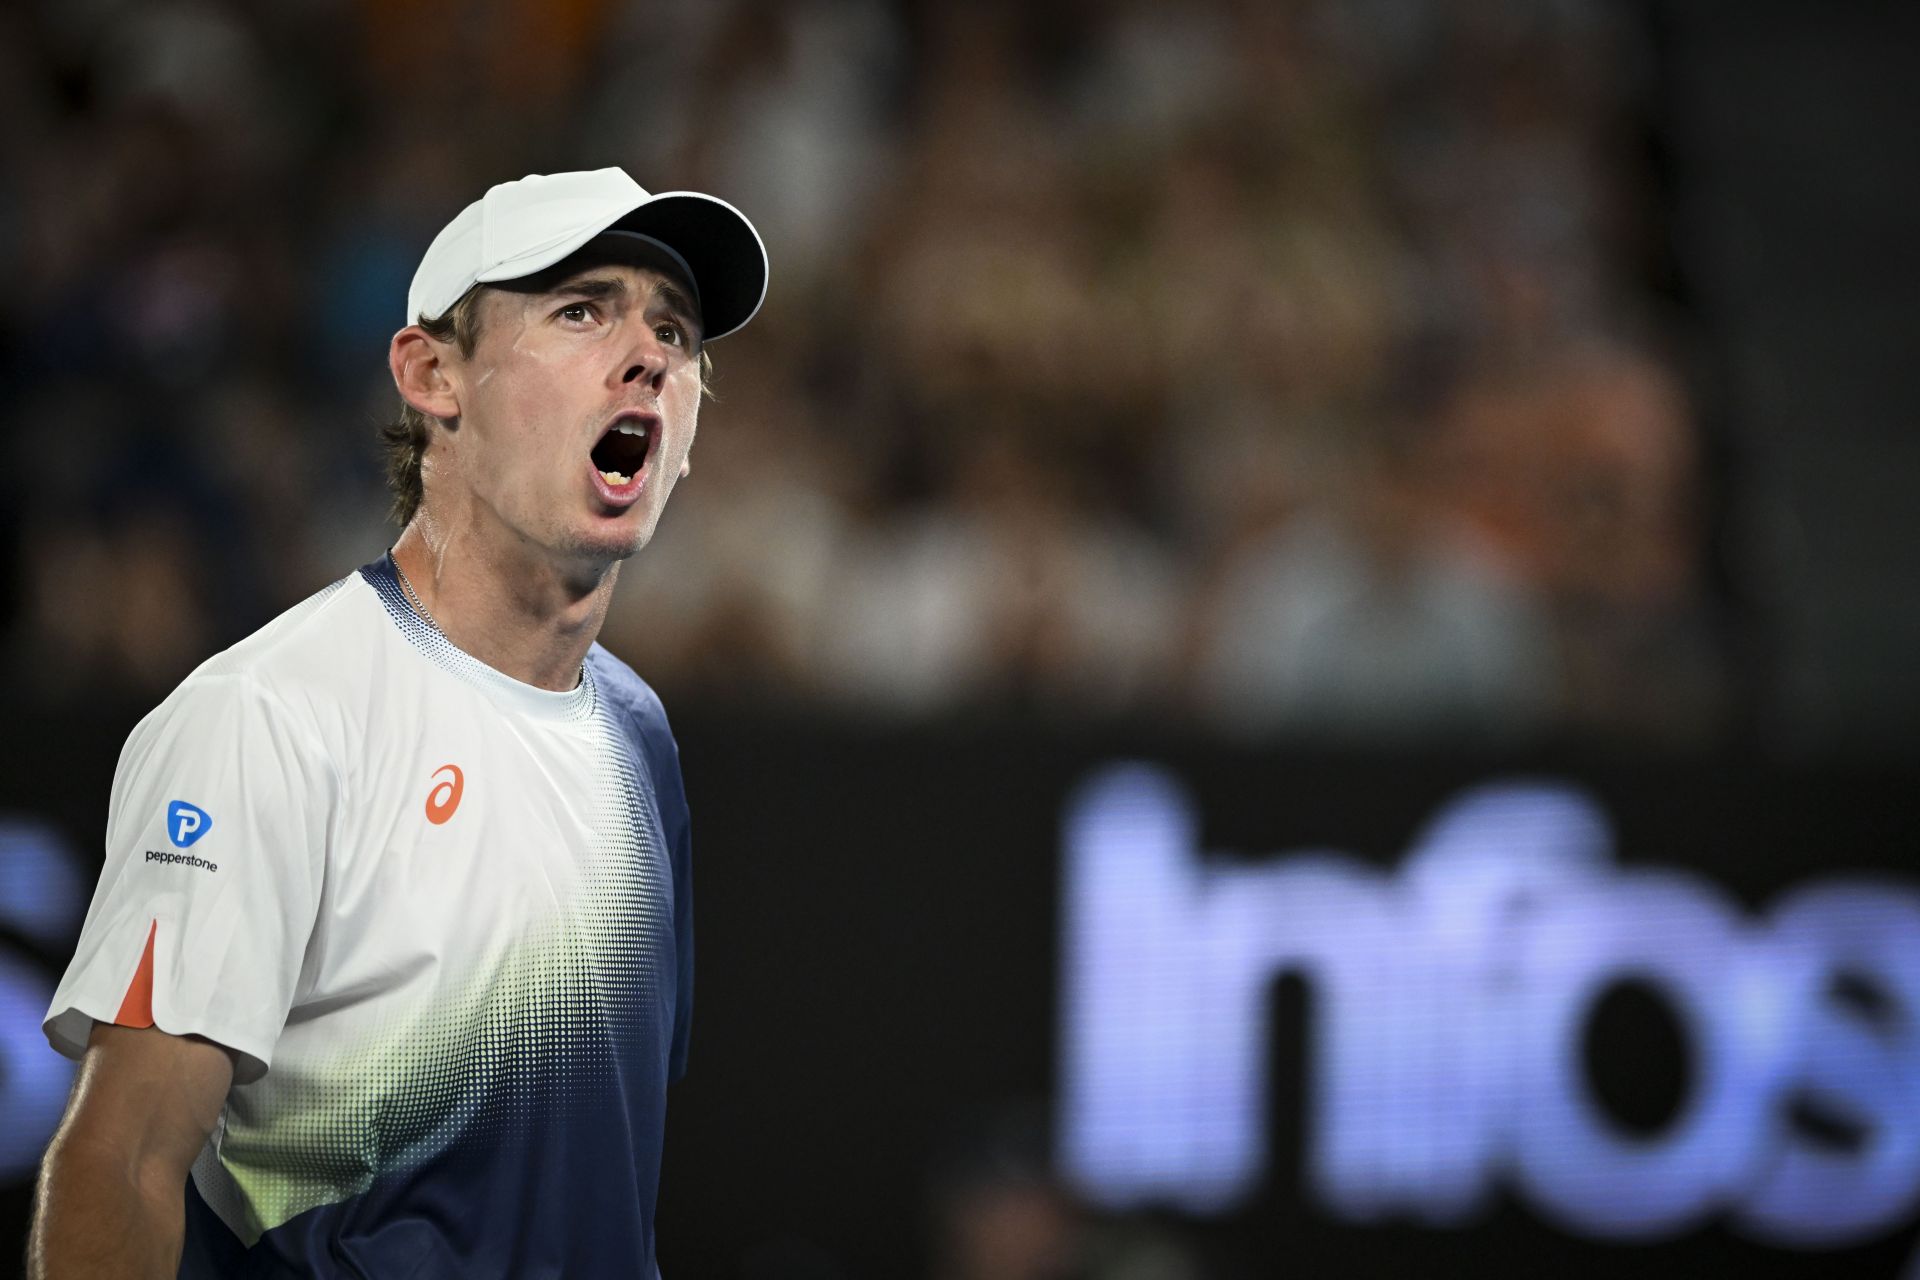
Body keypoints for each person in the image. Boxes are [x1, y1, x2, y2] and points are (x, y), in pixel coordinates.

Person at [26, 167, 768, 1277]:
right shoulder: (267, 718)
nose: (650, 353)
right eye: (582, 309)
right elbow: (119, 1165)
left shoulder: (640, 739)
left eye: (675, 330)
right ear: (433, 374)